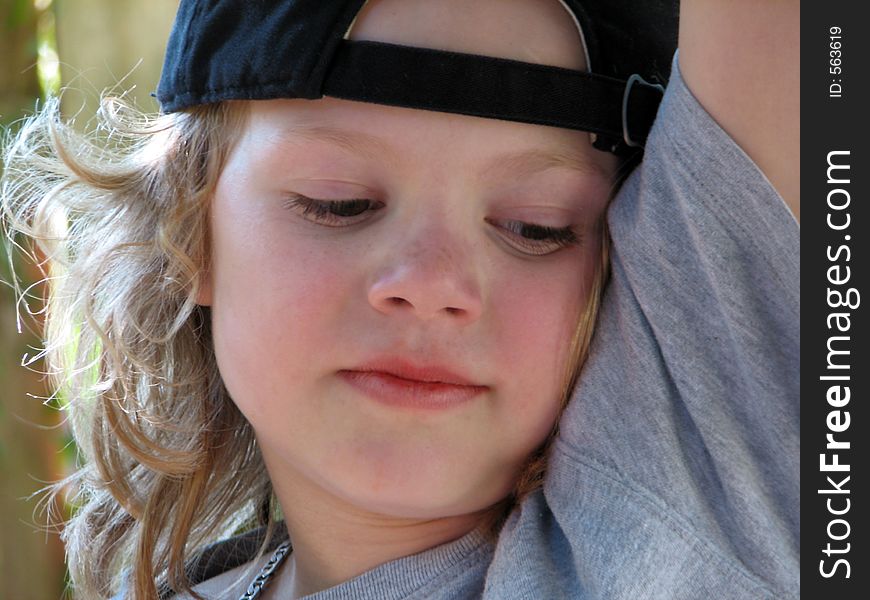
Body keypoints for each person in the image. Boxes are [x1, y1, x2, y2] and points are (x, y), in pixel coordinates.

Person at [0, 0, 799, 598]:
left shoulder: (681, 534)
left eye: (535, 226)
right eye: (337, 202)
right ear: (190, 236)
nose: (429, 284)